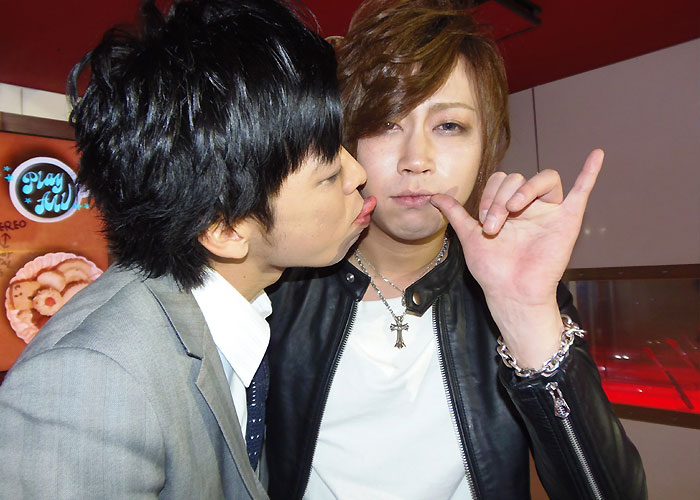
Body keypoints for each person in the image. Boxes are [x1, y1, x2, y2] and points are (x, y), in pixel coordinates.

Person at [264, 1, 647, 499]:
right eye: (386, 123)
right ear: (347, 142)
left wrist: (526, 315)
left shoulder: (515, 294)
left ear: (486, 147)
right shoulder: (277, 288)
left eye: (449, 126)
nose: (416, 159)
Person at [0, 0, 374, 498]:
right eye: (328, 173)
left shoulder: (235, 304)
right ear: (225, 228)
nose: (358, 174)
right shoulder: (90, 386)